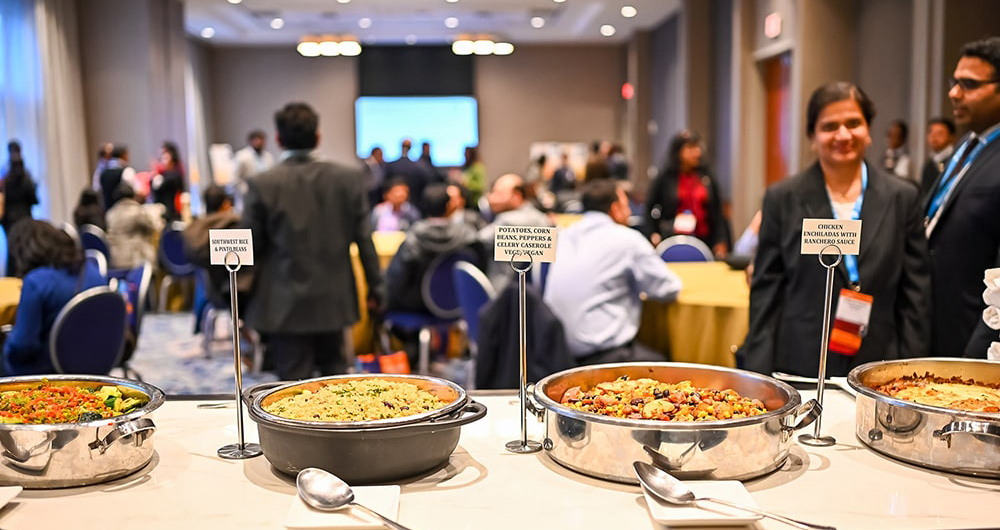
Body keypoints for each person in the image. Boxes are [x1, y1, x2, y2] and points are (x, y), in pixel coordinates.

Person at [743, 82, 930, 377]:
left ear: (868, 130)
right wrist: (758, 375)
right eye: (830, 126)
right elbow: (767, 291)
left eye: (854, 123)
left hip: (881, 363)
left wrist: (912, 370)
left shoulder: (902, 197)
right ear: (812, 136)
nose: (843, 135)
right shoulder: (783, 197)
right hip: (800, 362)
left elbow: (916, 293)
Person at [243, 102, 382, 380]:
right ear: (318, 136)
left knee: (291, 389)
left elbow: (251, 247)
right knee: (336, 383)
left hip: (284, 302)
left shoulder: (263, 184)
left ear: (278, 139)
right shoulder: (349, 179)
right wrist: (376, 289)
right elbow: (365, 240)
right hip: (335, 299)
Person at [545, 180, 682, 365]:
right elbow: (668, 288)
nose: (629, 212)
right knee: (668, 369)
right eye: (626, 206)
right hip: (604, 356)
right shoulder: (627, 239)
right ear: (615, 209)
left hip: (557, 352)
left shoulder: (563, 235)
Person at [925, 36, 1000, 358]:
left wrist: (980, 350)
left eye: (968, 84)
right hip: (937, 324)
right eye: (954, 82)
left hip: (976, 335)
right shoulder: (968, 145)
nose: (954, 93)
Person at [3, 220, 105, 375]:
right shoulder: (91, 269)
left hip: (50, 373)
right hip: (96, 361)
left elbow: (22, 346)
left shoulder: (36, 282)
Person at [385, 184, 486, 314]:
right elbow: (481, 270)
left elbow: (396, 279)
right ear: (450, 207)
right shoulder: (469, 237)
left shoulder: (414, 238)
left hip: (418, 306)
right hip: (460, 304)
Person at [643, 131, 731, 258]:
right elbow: (649, 207)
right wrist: (652, 234)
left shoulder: (707, 177)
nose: (697, 152)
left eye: (697, 147)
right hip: (672, 239)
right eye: (690, 148)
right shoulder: (665, 178)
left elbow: (717, 212)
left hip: (705, 239)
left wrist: (721, 239)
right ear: (678, 152)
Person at [1, 141, 39, 274]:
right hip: (24, 218)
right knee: (25, 252)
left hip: (9, 221)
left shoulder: (4, 175)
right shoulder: (26, 176)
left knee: (12, 252)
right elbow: (34, 200)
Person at [105, 183, 157, 269]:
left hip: (114, 260)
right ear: (133, 196)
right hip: (133, 261)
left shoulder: (110, 213)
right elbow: (152, 226)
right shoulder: (137, 211)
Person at [231, 130, 274, 210]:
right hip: (247, 194)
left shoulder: (268, 156)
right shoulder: (241, 156)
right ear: (250, 141)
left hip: (265, 195)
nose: (260, 142)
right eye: (257, 140)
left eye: (262, 140)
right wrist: (245, 191)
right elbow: (235, 179)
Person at [919, 117, 956, 198]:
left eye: (939, 133)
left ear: (951, 137)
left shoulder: (957, 160)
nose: (933, 137)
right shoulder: (929, 164)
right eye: (930, 133)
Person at [151, 141, 185, 221]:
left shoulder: (175, 174)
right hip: (160, 211)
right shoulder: (160, 174)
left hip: (172, 212)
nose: (162, 158)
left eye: (164, 154)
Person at [96, 144, 137, 210]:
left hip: (108, 213)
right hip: (125, 211)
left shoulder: (102, 173)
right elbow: (134, 191)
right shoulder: (127, 171)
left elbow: (98, 190)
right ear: (123, 155)